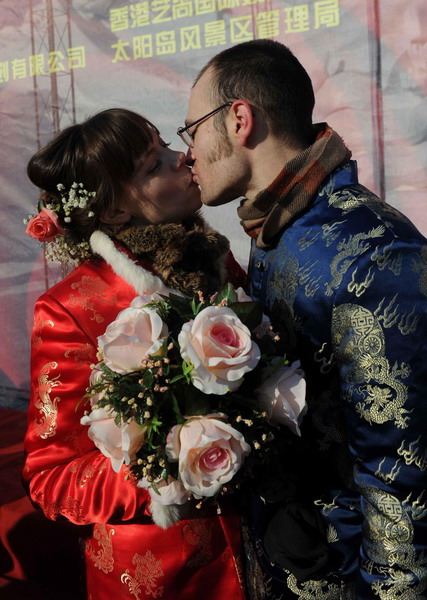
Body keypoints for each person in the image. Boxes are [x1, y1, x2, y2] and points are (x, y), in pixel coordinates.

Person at [180, 39, 427, 599]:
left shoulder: (372, 251)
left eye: (190, 129)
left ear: (239, 119)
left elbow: (402, 465)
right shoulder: (279, 229)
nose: (187, 153)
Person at [23, 108, 247, 600]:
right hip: (166, 575)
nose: (183, 157)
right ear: (114, 213)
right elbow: (51, 476)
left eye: (167, 146)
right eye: (154, 166)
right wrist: (172, 469)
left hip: (260, 554)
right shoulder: (70, 308)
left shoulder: (213, 256)